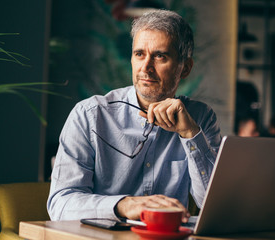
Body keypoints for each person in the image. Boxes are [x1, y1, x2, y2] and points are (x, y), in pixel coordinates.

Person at [47, 10, 222, 223]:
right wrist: (125, 204)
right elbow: (61, 204)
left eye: (160, 56)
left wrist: (190, 134)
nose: (145, 68)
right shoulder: (89, 116)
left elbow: (213, 207)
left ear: (184, 68)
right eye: (139, 54)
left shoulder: (200, 118)